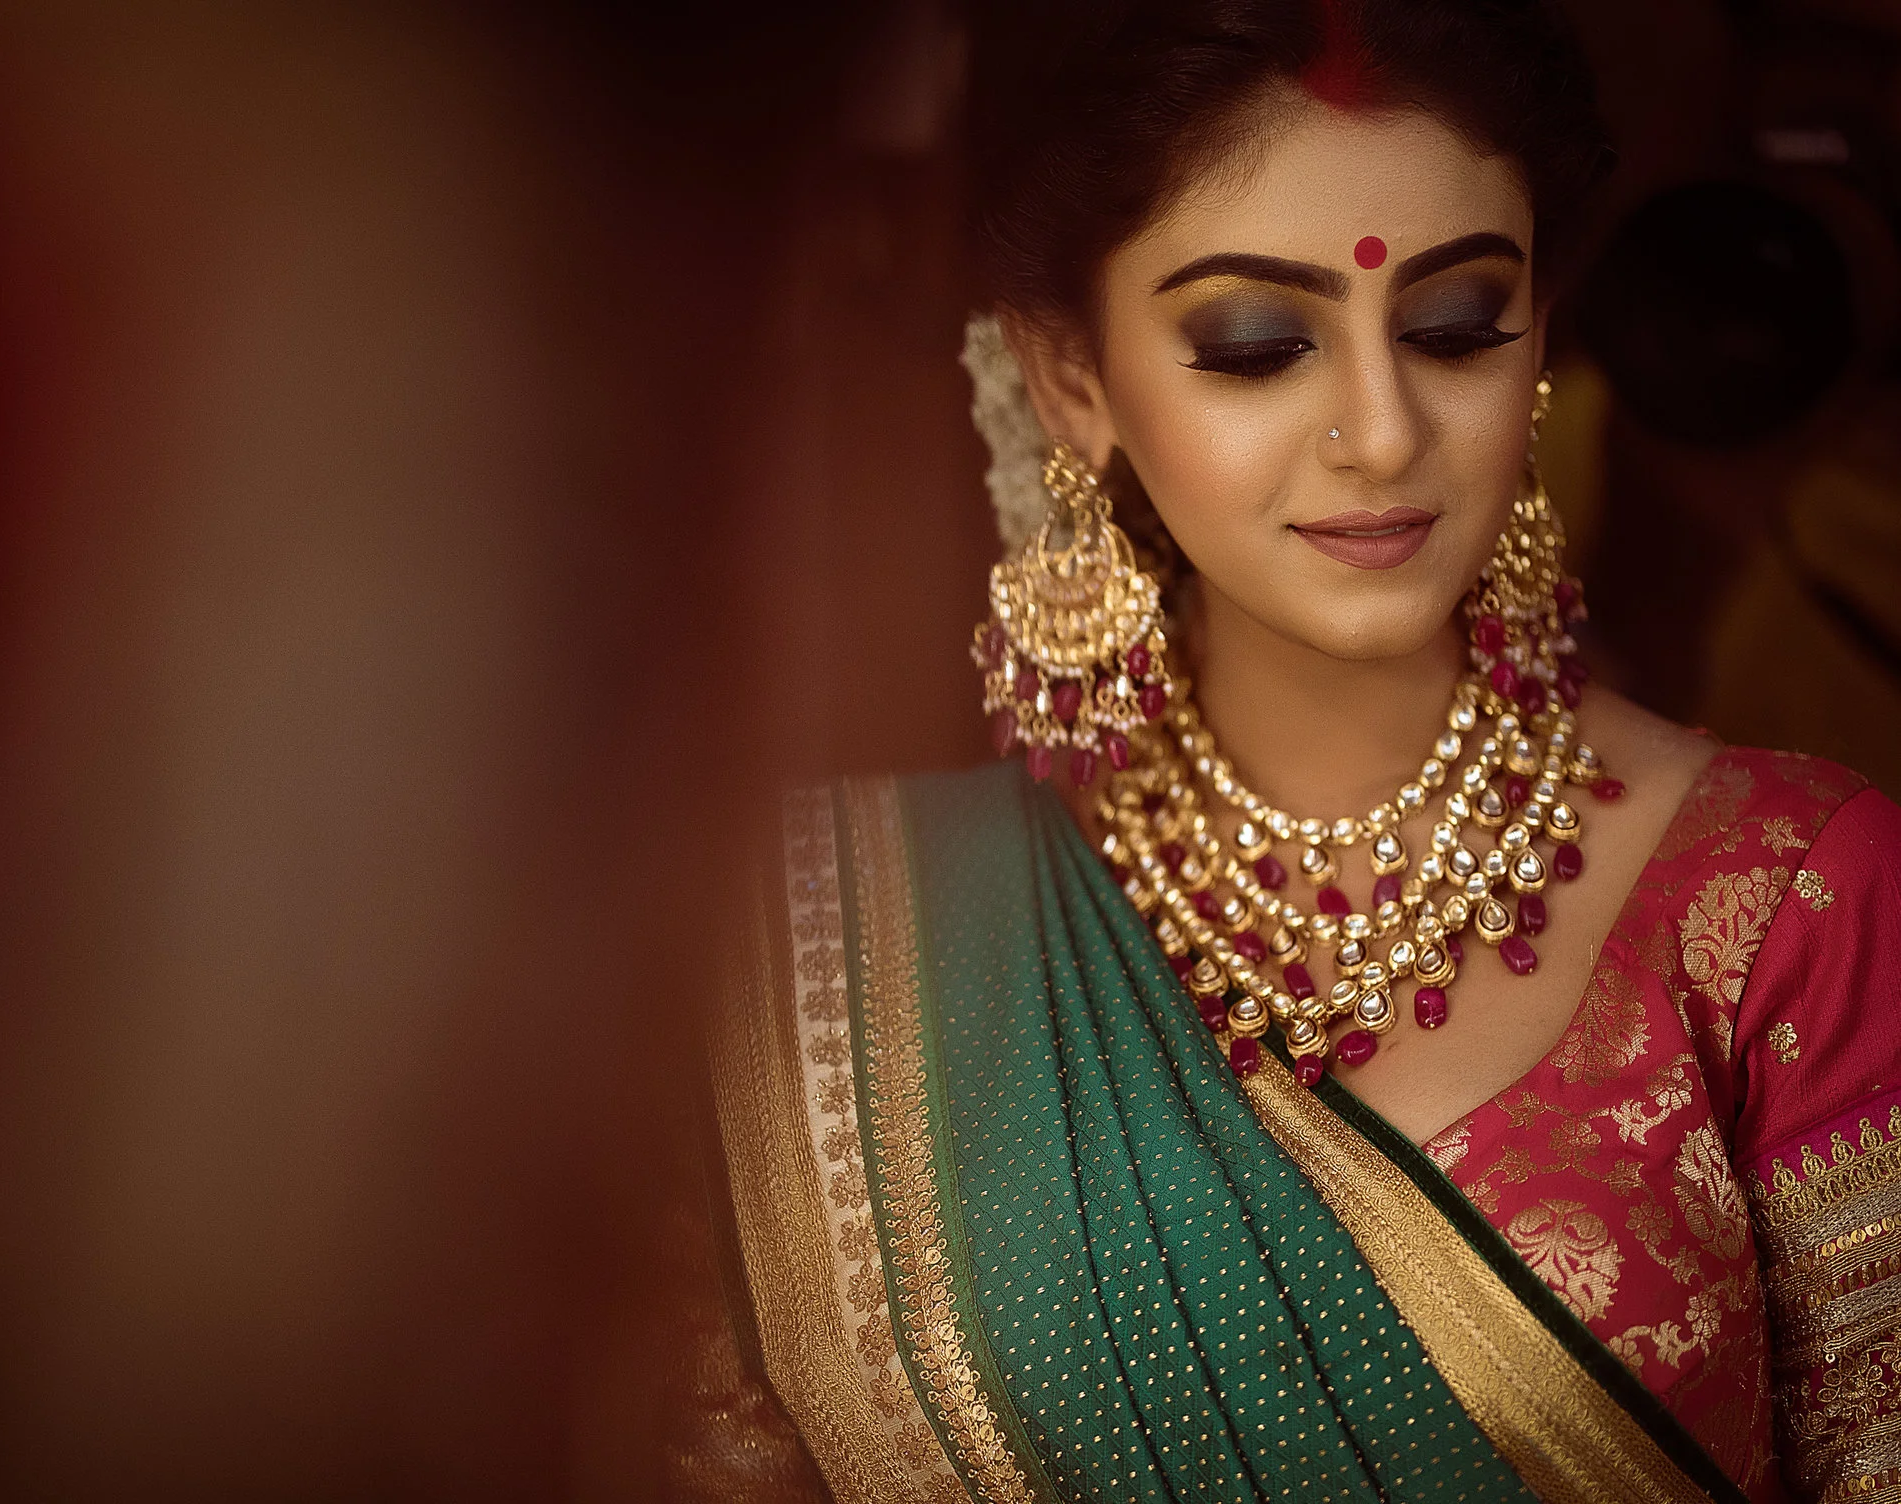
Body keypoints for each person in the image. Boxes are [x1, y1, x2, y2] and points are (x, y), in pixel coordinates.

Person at [675, 3, 1901, 1500]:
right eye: (1256, 345)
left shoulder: (1792, 897)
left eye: (1456, 327)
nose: (1382, 432)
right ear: (1071, 382)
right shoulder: (827, 939)